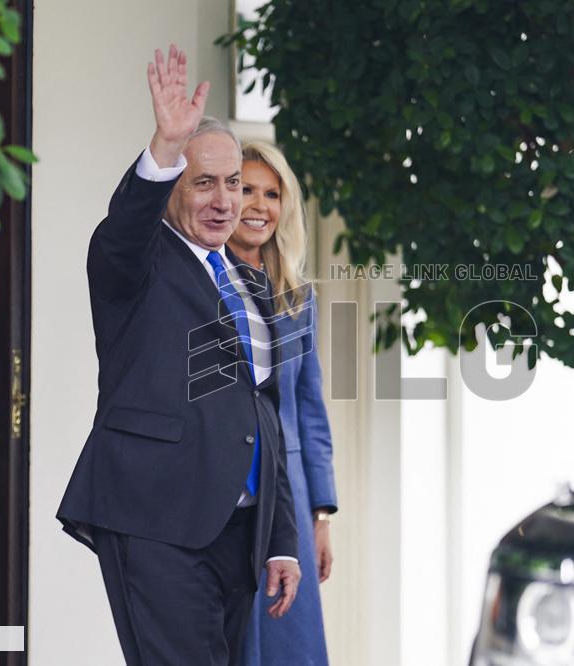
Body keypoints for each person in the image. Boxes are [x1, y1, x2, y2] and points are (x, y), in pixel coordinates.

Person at [57, 45, 300, 666]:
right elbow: (125, 226)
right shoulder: (133, 263)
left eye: (235, 185)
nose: (227, 201)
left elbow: (264, 411)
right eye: (203, 183)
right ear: (172, 188)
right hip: (158, 520)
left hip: (239, 536)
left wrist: (280, 539)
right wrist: (165, 148)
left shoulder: (249, 281)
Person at [227, 141, 338, 666]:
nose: (259, 205)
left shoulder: (297, 297)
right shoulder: (199, 280)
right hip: (222, 496)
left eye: (272, 194)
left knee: (288, 645)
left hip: (287, 502)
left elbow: (309, 410)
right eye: (246, 188)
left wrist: (321, 513)